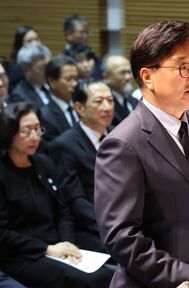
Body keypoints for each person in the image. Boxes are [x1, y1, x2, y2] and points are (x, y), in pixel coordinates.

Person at [94, 20, 189, 287]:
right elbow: (121, 236)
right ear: (148, 76)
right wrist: (186, 274)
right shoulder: (123, 144)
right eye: (183, 67)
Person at [0, 102, 112, 287]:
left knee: (104, 273)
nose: (35, 136)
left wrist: (66, 242)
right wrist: (46, 249)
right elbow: (3, 233)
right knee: (86, 280)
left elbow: (63, 210)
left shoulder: (42, 163)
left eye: (38, 129)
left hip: (56, 244)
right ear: (9, 132)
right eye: (27, 131)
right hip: (21, 253)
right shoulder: (3, 172)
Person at [49, 81, 114, 252]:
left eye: (110, 100)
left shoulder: (120, 134)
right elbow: (75, 199)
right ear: (79, 108)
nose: (107, 107)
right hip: (94, 226)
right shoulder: (64, 145)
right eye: (99, 101)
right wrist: (113, 226)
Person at [40, 56, 79, 143]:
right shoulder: (45, 116)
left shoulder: (82, 108)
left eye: (76, 78)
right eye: (68, 79)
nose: (74, 83)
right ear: (51, 81)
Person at [8, 44, 51, 108]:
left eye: (48, 66)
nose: (47, 71)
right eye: (42, 67)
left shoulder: (52, 84)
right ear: (26, 69)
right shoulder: (19, 96)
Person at [102, 55, 138, 126]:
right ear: (106, 77)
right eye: (122, 73)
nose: (128, 77)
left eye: (129, 72)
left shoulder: (135, 101)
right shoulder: (102, 104)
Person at [8, 25, 42, 90]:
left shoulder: (44, 64)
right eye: (29, 41)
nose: (35, 44)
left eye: (36, 39)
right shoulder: (15, 70)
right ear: (20, 46)